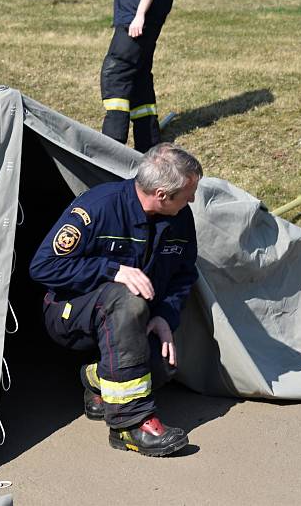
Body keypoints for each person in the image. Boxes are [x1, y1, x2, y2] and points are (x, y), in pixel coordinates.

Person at [29, 142, 202, 457]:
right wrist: (111, 270)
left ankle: (96, 380)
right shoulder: (98, 207)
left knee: (161, 366)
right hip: (68, 316)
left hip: (131, 321)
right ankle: (130, 424)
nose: (192, 199)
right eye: (188, 193)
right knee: (126, 297)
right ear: (162, 194)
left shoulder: (180, 217)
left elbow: (184, 275)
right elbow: (43, 266)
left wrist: (165, 315)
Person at [101, 0, 178, 152]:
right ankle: (148, 143)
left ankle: (112, 146)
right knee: (139, 77)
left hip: (138, 14)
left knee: (117, 73)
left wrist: (140, 15)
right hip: (137, 11)